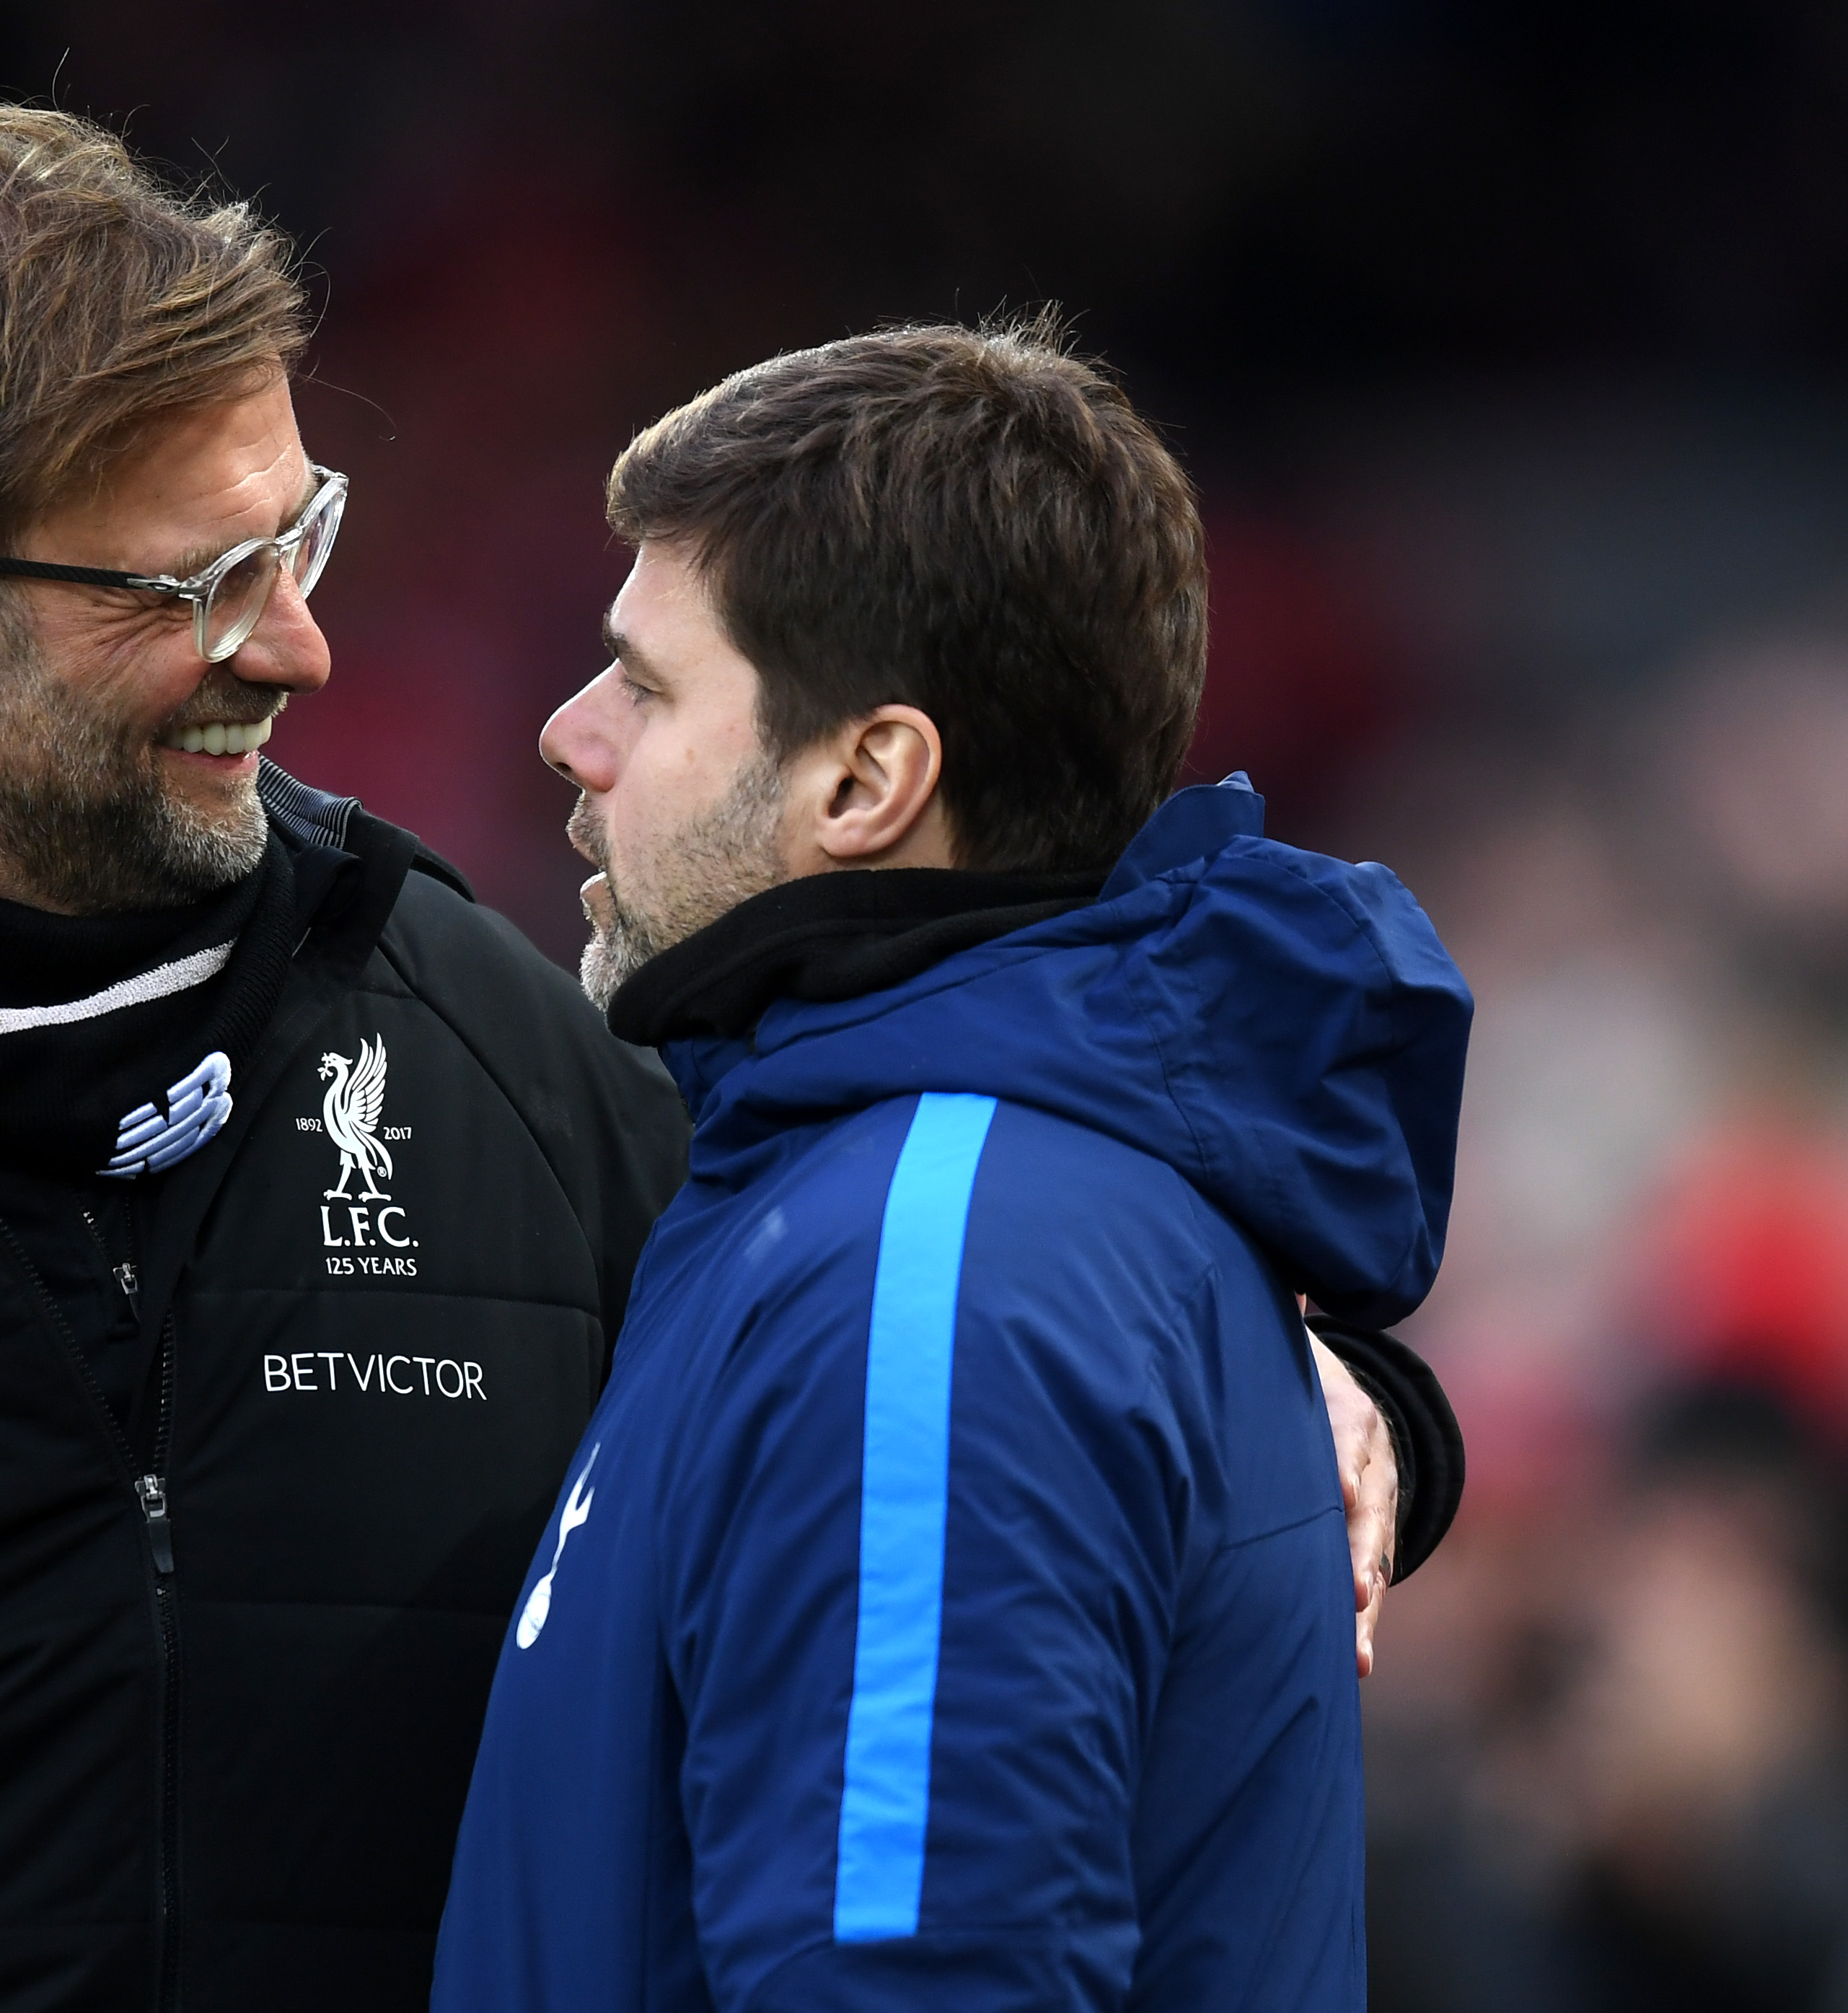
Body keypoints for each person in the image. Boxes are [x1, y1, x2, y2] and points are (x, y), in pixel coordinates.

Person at [0, 111, 1444, 2013]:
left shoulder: (493, 1047)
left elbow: (930, 1360)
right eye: (193, 581)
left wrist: (1325, 1382)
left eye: (301, 532)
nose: (305, 641)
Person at [431, 322, 1473, 2013]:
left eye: (642, 681)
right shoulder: (895, 1204)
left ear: (864, 779)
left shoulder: (931, 1274)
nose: (568, 735)